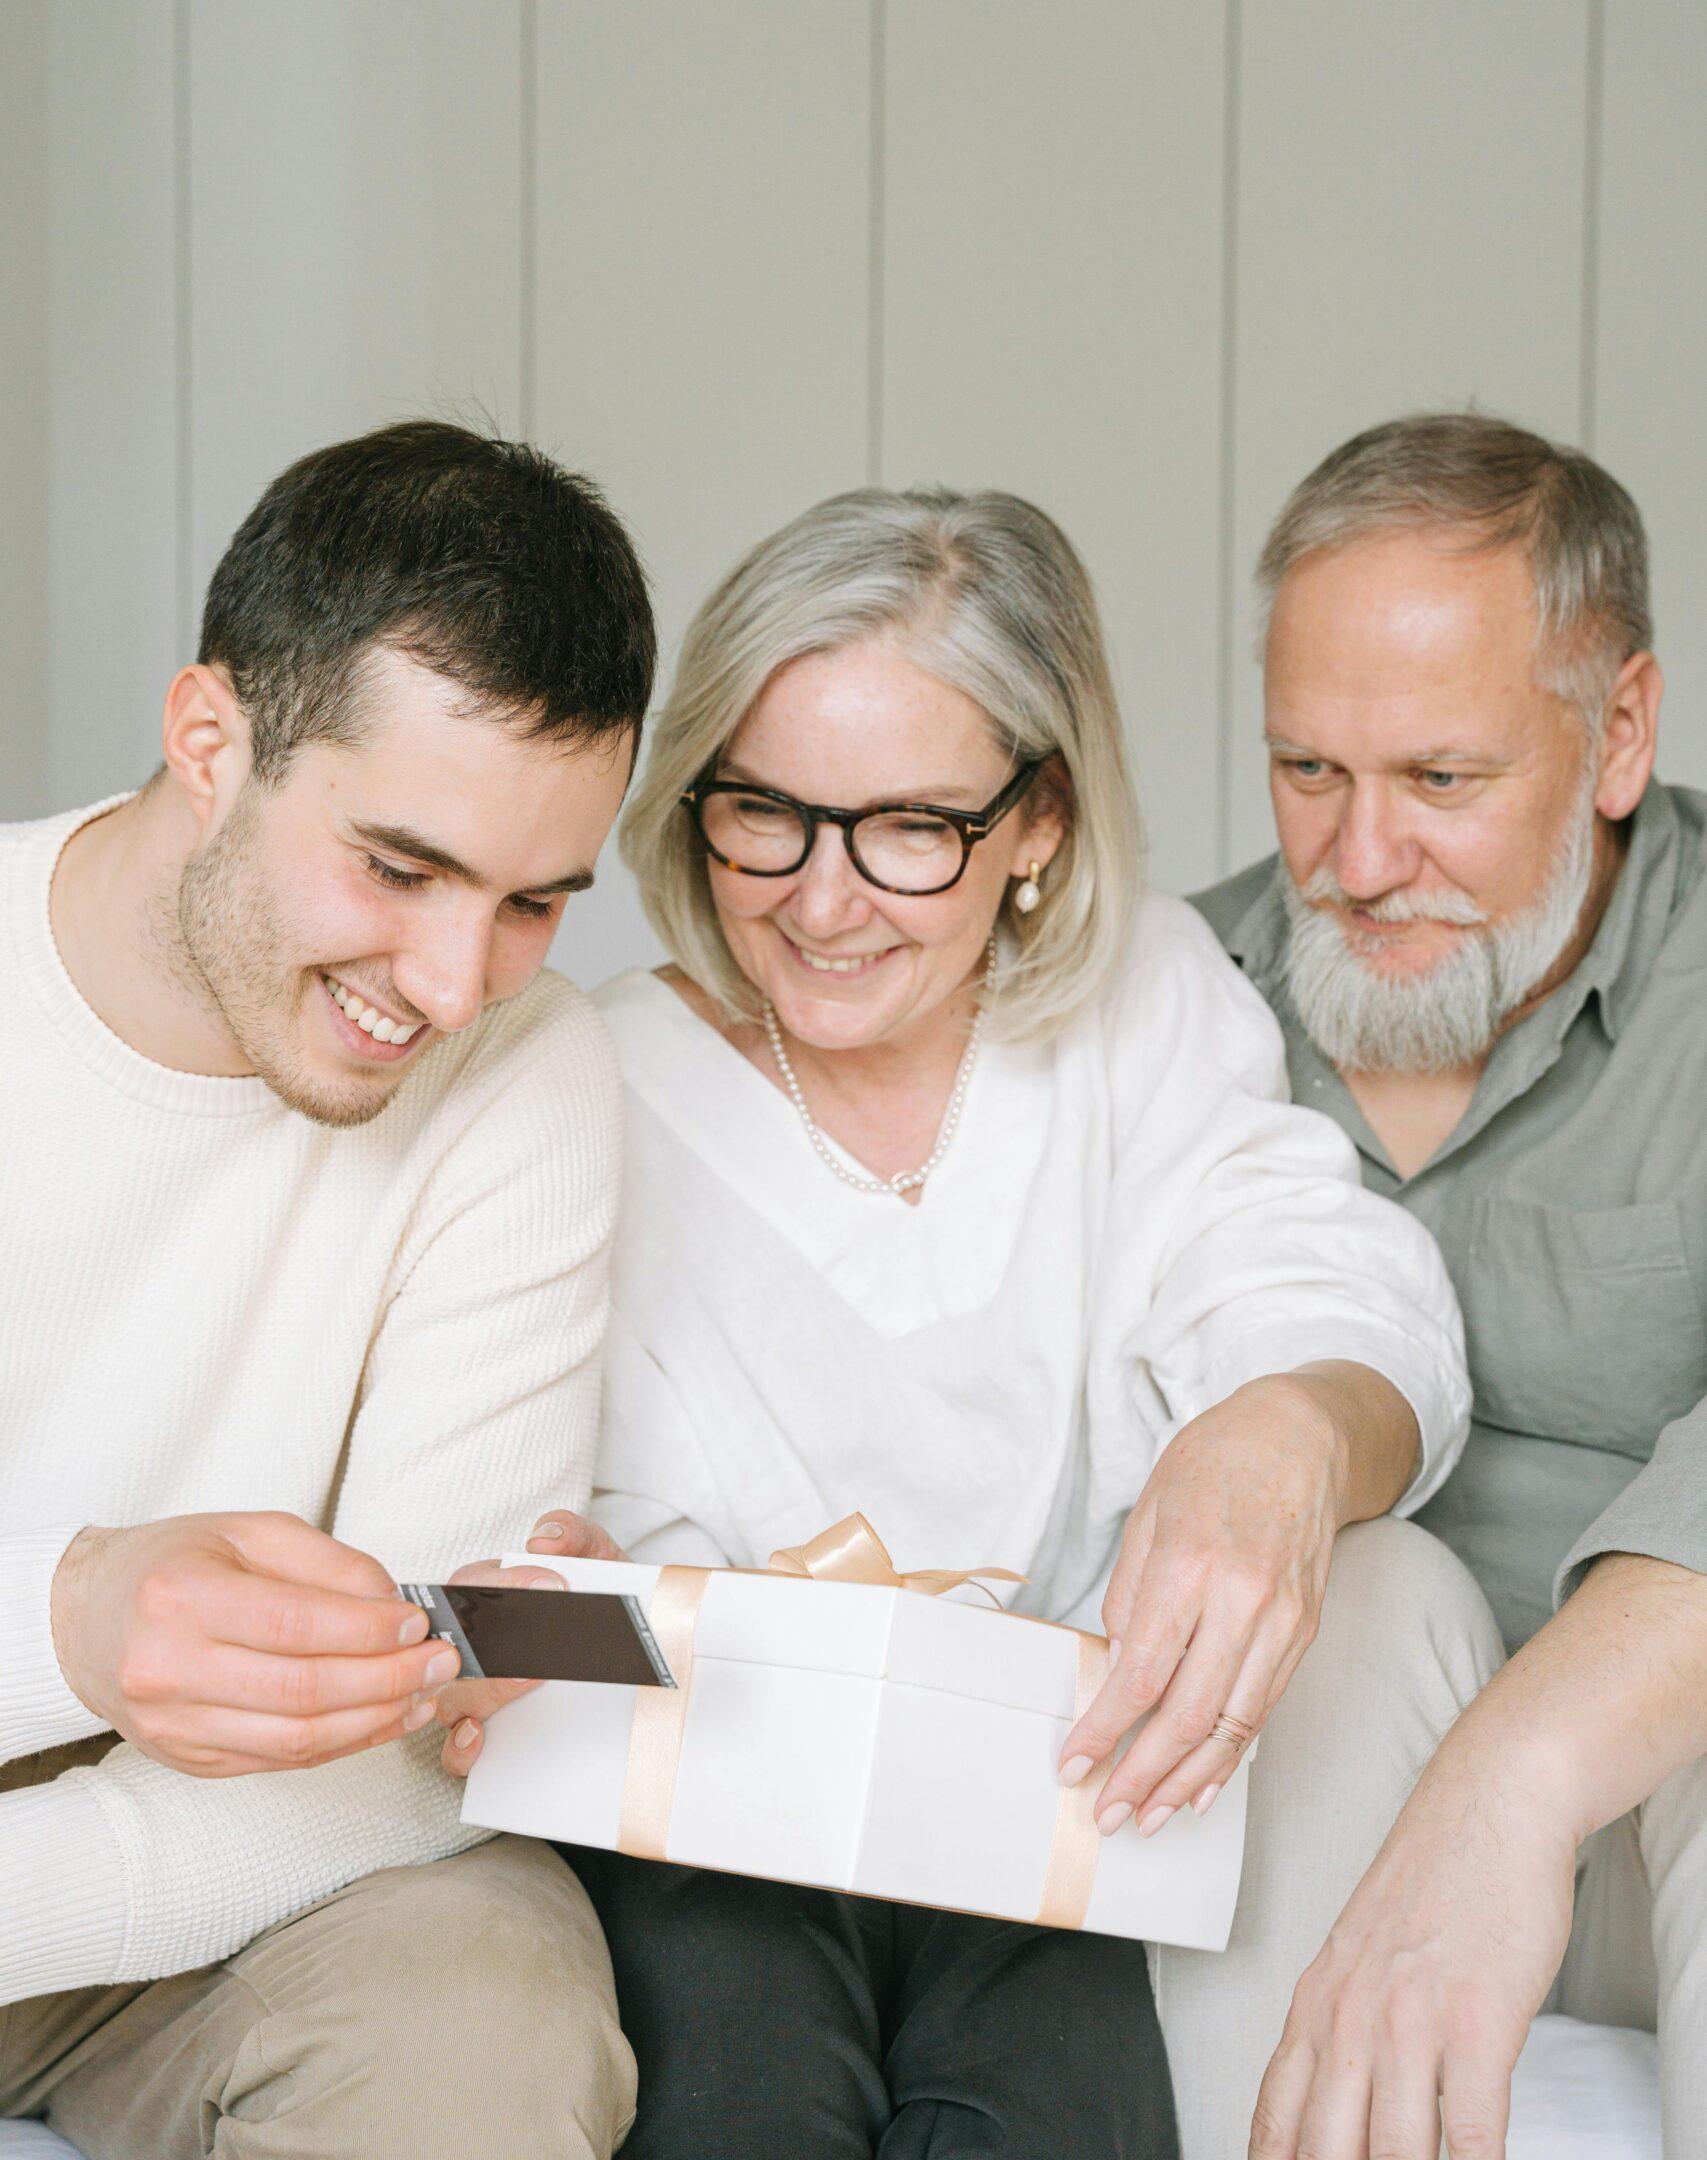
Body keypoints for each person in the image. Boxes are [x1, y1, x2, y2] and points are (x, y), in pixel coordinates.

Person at [442, 484, 1486, 2159]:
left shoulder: (1141, 1007)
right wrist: (540, 1596)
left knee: (1057, 2111)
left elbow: (1326, 1286)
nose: (825, 899)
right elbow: (472, 1558)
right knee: (739, 2103)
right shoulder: (581, 1076)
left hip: (1047, 1802)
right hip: (702, 1811)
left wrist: (1286, 1424)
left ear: (1040, 820)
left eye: (912, 826)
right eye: (763, 813)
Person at [0, 421, 655, 2160]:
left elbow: (417, 1726)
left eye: (532, 902)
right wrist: (69, 1623)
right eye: (400, 867)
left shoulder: (530, 1074)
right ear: (210, 741)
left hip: (241, 1873)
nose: (453, 983)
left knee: (491, 2019)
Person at [1194, 413, 1707, 2159]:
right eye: (1306, 771)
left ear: (1619, 731)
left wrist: (1511, 1780)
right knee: (1373, 1581)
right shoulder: (1173, 1005)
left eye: (1442, 781)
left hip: (1647, 1808)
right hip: (1311, 1778)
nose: (1355, 861)